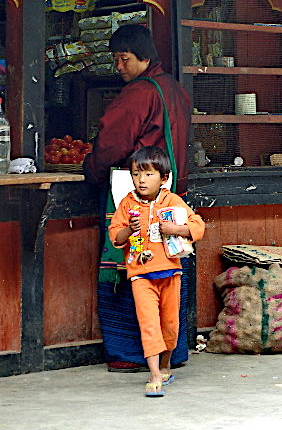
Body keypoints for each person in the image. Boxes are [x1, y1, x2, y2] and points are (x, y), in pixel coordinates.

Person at [83, 23, 192, 372]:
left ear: (144, 57)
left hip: (139, 195)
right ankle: (173, 351)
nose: (119, 67)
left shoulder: (138, 94)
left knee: (132, 270)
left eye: (124, 59)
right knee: (172, 269)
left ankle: (131, 352)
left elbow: (112, 144)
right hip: (172, 194)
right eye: (115, 59)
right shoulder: (175, 88)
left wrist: (92, 170)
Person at [109, 146, 205, 396]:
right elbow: (115, 237)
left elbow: (198, 226)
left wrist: (176, 229)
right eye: (136, 174)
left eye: (148, 175)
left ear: (164, 178)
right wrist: (130, 229)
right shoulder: (127, 203)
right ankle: (154, 375)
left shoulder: (171, 201)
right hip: (140, 275)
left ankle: (165, 365)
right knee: (149, 324)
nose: (141, 180)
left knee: (170, 325)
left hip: (170, 273)